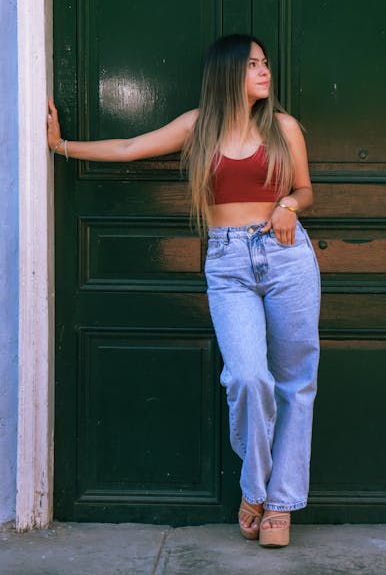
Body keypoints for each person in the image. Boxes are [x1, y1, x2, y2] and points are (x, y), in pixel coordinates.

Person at [47, 33, 321, 548]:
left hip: (287, 258)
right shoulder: (199, 126)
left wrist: (288, 206)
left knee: (295, 383)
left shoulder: (284, 128)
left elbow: (305, 189)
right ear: (227, 73)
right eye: (253, 65)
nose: (265, 71)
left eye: (266, 63)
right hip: (228, 262)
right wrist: (61, 145)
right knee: (247, 377)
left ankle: (279, 503)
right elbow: (131, 148)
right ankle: (255, 483)